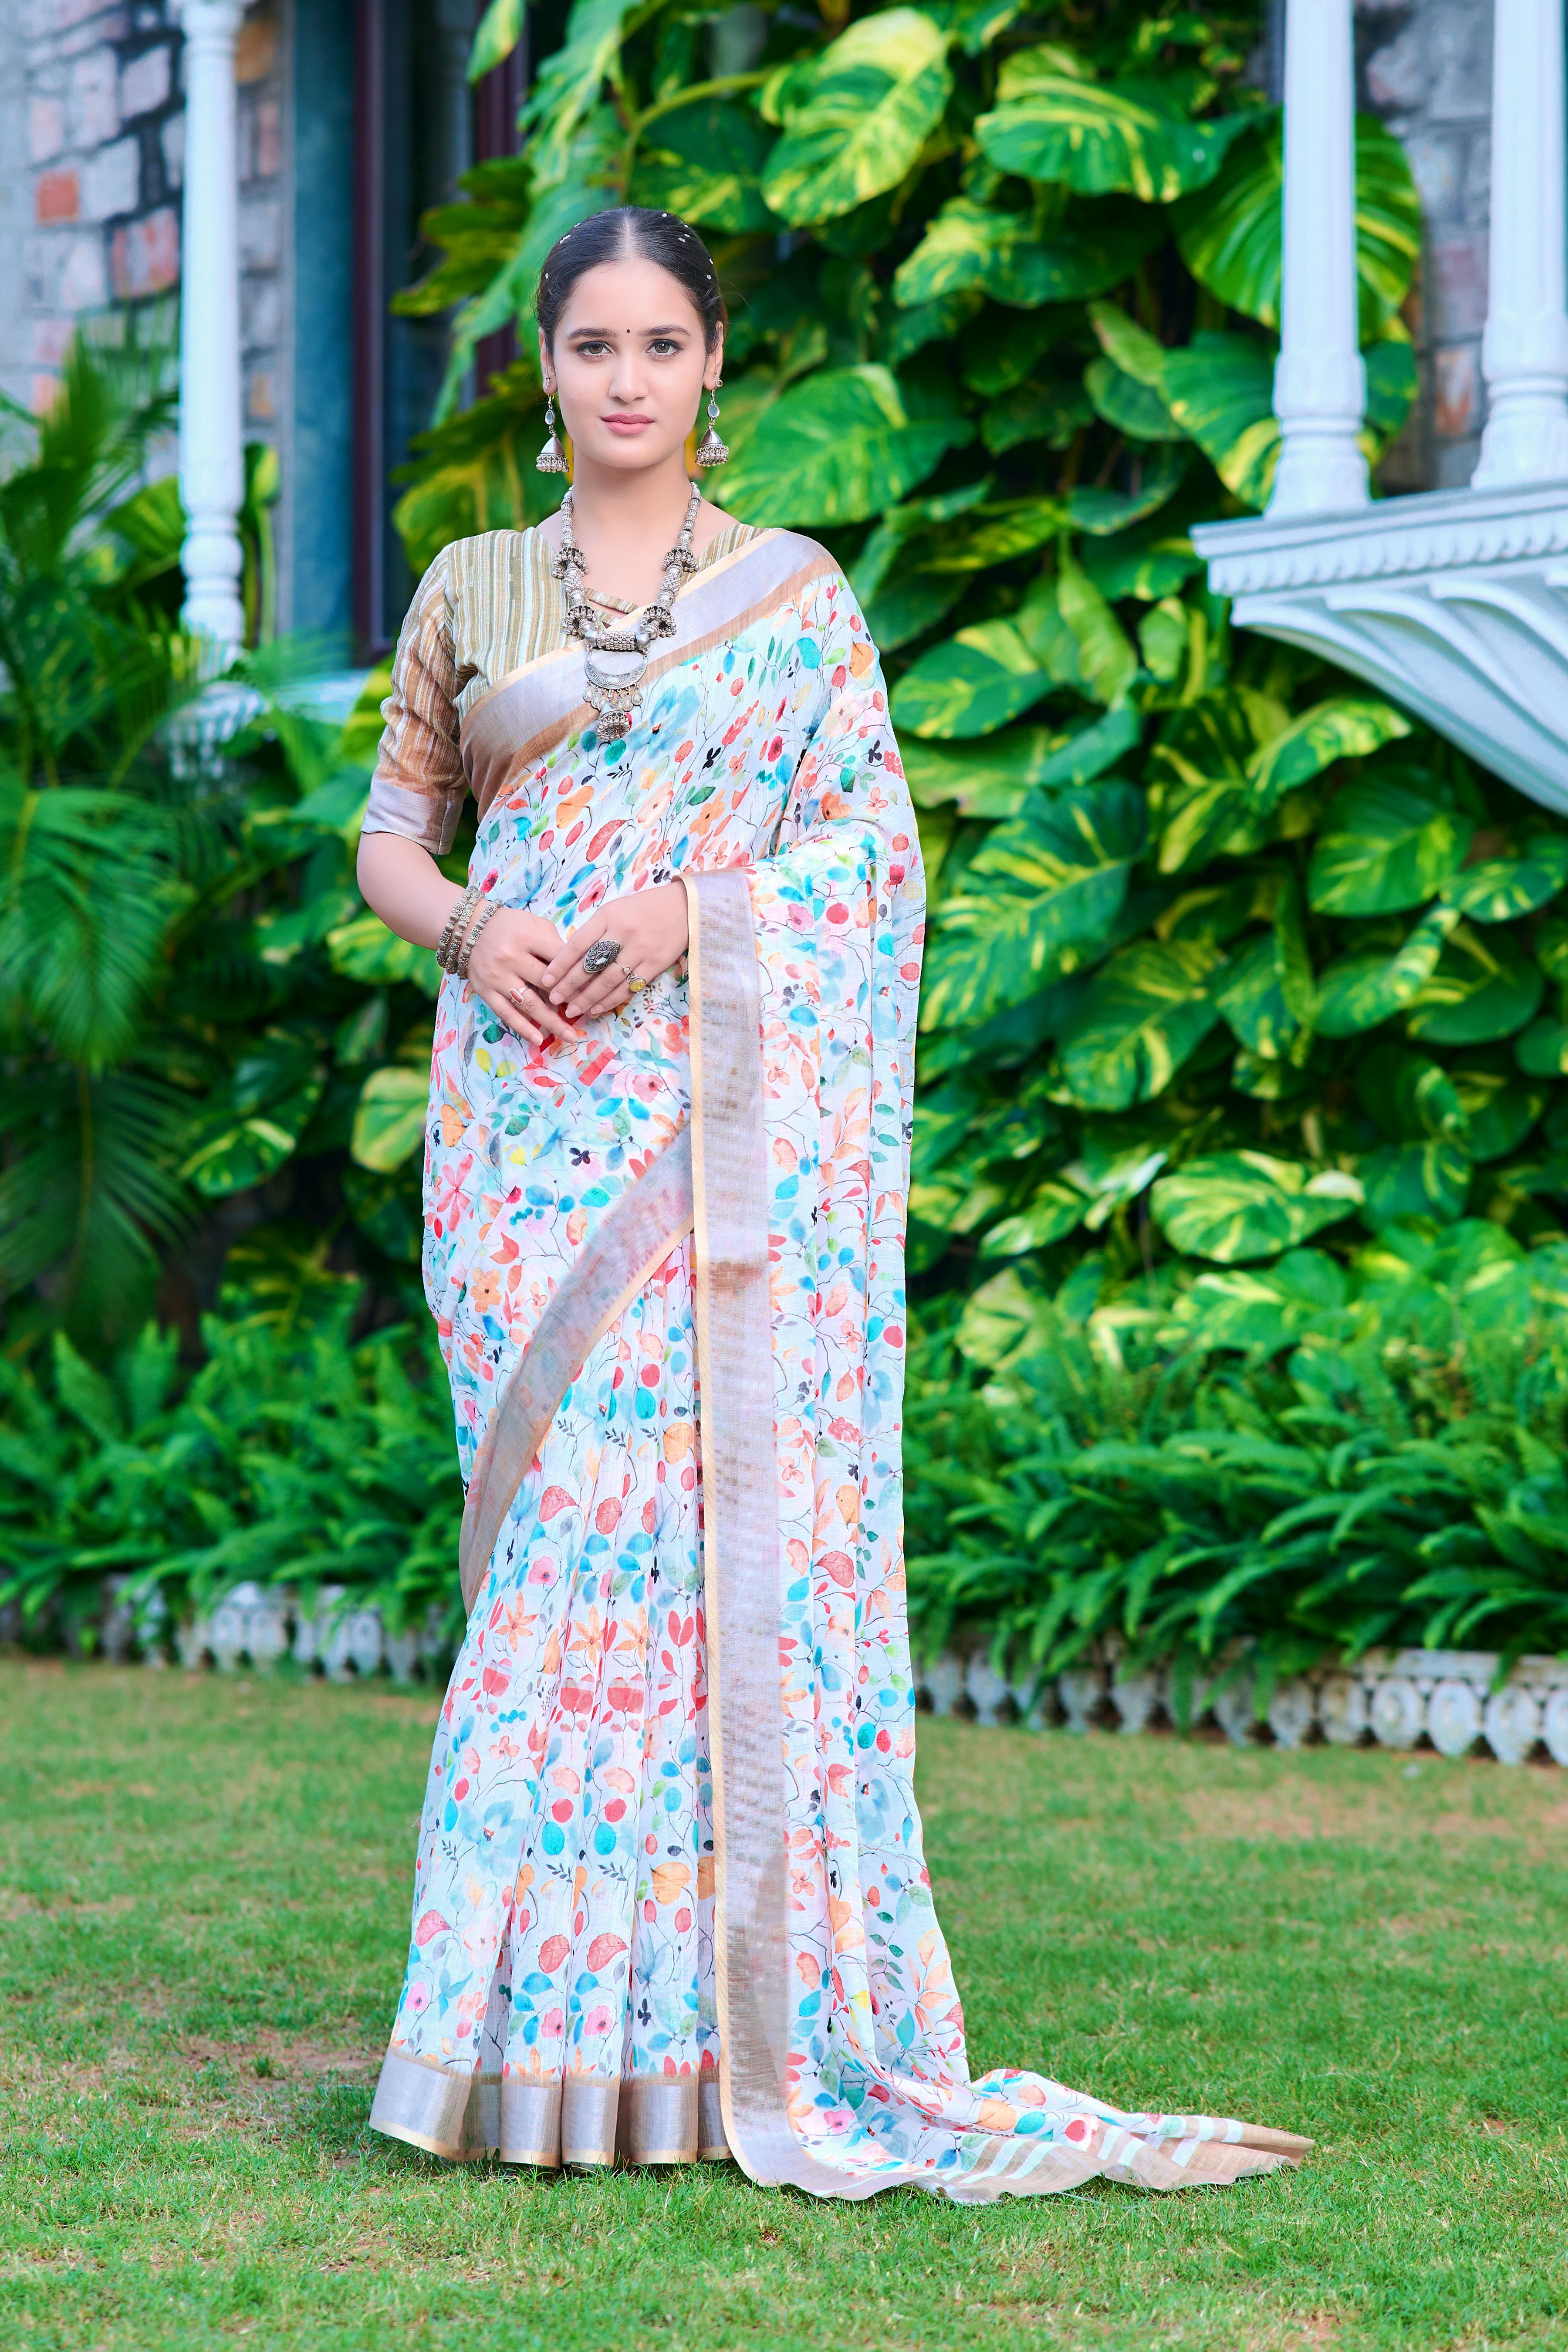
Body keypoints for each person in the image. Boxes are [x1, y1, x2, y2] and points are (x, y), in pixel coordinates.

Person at [355, 205, 1310, 2200]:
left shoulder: (794, 599)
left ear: (715, 364)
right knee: (557, 1565)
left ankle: (703, 2044)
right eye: (594, 345)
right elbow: (394, 838)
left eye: (663, 344)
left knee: (698, 1564)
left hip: (717, 1143)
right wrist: (472, 931)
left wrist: (683, 910)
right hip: (526, 1130)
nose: (628, 378)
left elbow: (869, 864)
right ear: (547, 370)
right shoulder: (470, 588)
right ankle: (532, 2042)